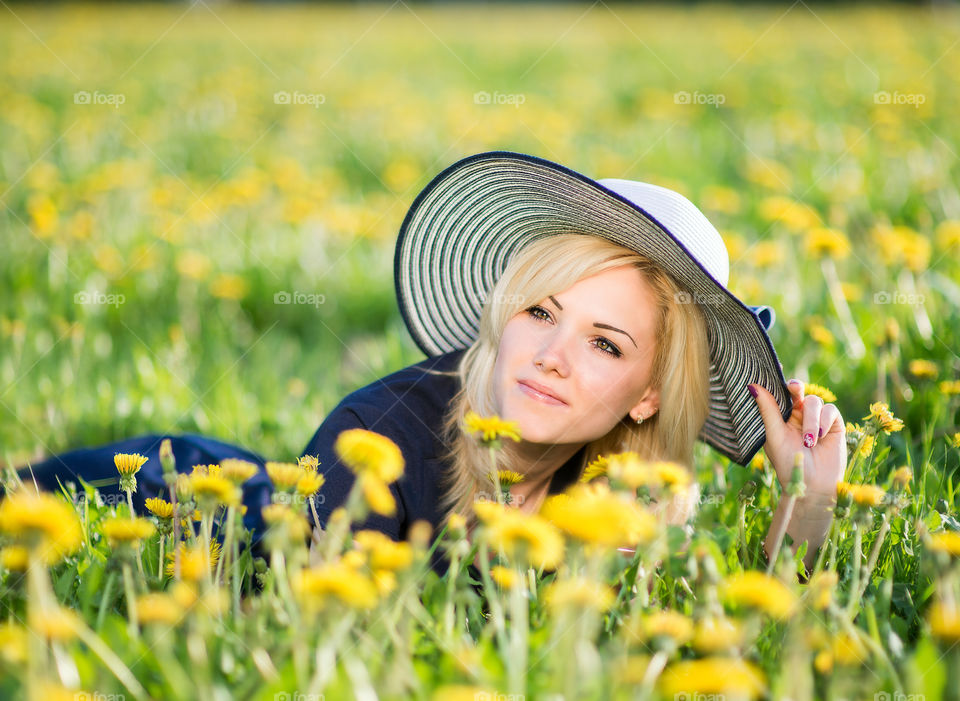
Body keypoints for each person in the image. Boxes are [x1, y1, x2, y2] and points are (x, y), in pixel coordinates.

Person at [14, 150, 846, 575]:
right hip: (164, 505)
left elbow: (755, 631)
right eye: (541, 311)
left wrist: (806, 498)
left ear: (645, 400)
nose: (552, 357)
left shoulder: (621, 486)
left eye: (605, 342)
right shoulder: (379, 439)